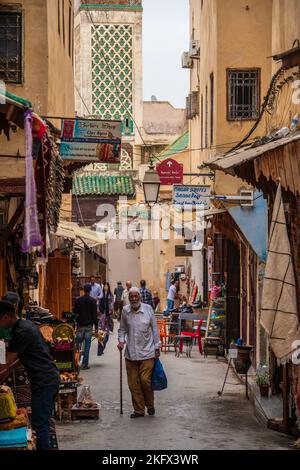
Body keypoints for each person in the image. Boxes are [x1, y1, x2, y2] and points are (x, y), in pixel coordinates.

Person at [0, 301, 60, 450]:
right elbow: (22, 356)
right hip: (47, 379)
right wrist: (7, 371)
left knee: (41, 426)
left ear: (5, 317)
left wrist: (4, 368)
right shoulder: (25, 326)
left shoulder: (22, 331)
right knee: (42, 423)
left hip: (44, 381)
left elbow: (6, 360)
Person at [118, 287, 161, 419]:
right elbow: (122, 329)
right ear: (129, 298)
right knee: (133, 384)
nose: (134, 299)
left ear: (140, 297)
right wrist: (121, 341)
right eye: (132, 297)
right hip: (130, 353)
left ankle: (150, 404)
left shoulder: (148, 309)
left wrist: (157, 347)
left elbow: (154, 329)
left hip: (147, 352)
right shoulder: (125, 311)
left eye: (136, 296)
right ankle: (139, 410)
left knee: (144, 380)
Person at [74, 284, 98, 370]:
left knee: (76, 344)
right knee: (87, 345)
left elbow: (75, 314)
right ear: (90, 290)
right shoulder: (93, 301)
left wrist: (75, 324)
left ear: (83, 290)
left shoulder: (78, 301)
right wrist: (96, 327)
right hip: (88, 326)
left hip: (80, 326)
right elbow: (95, 315)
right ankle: (84, 364)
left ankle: (75, 361)